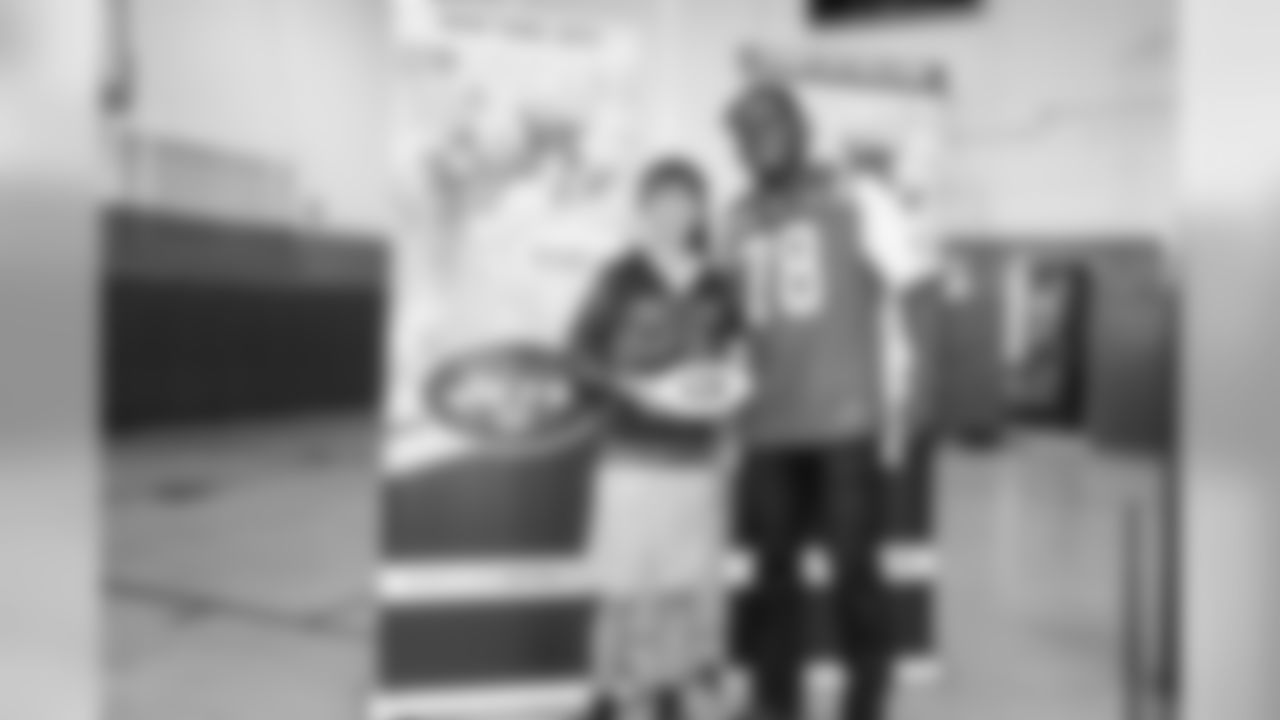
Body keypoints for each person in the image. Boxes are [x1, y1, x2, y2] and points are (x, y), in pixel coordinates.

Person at [721, 81, 937, 720]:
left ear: (800, 129)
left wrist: (919, 390)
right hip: (766, 425)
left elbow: (916, 287)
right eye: (747, 134)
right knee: (772, 572)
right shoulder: (735, 217)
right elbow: (729, 320)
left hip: (845, 419)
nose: (761, 142)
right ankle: (775, 700)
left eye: (772, 127)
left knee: (854, 573)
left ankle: (865, 703)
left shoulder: (858, 196)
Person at [574, 157, 754, 720]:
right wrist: (631, 387)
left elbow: (738, 364)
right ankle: (606, 695)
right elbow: (580, 357)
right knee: (620, 588)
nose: (674, 215)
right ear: (644, 209)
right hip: (628, 459)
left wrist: (732, 432)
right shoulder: (617, 278)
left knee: (681, 587)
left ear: (699, 212)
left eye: (686, 203)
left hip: (694, 461)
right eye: (663, 203)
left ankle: (669, 691)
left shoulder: (721, 285)